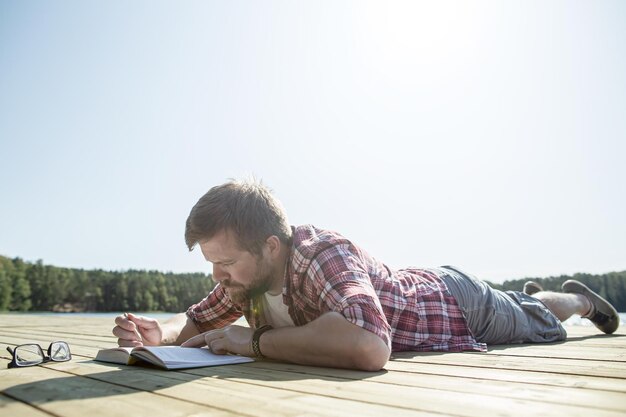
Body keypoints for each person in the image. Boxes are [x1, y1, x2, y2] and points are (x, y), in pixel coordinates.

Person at [112, 179, 620, 371]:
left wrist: (254, 343)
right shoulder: (246, 279)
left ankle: (580, 302)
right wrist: (164, 333)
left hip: (455, 305)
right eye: (211, 266)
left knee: (535, 320)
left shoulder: (321, 254)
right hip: (423, 287)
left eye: (225, 264)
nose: (219, 277)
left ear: (271, 246)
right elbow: (200, 319)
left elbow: (369, 346)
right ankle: (534, 296)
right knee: (522, 304)